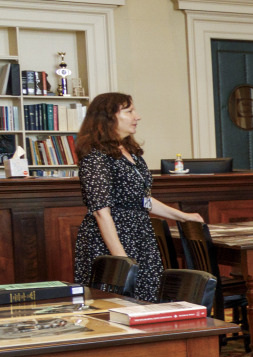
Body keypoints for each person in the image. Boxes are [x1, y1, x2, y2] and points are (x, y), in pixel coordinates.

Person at [73, 93, 203, 303]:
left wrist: (182, 216)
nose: (137, 116)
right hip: (111, 238)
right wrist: (122, 260)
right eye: (129, 111)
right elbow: (100, 211)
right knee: (116, 302)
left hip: (140, 235)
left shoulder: (131, 152)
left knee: (147, 299)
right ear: (109, 118)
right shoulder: (95, 156)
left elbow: (143, 200)